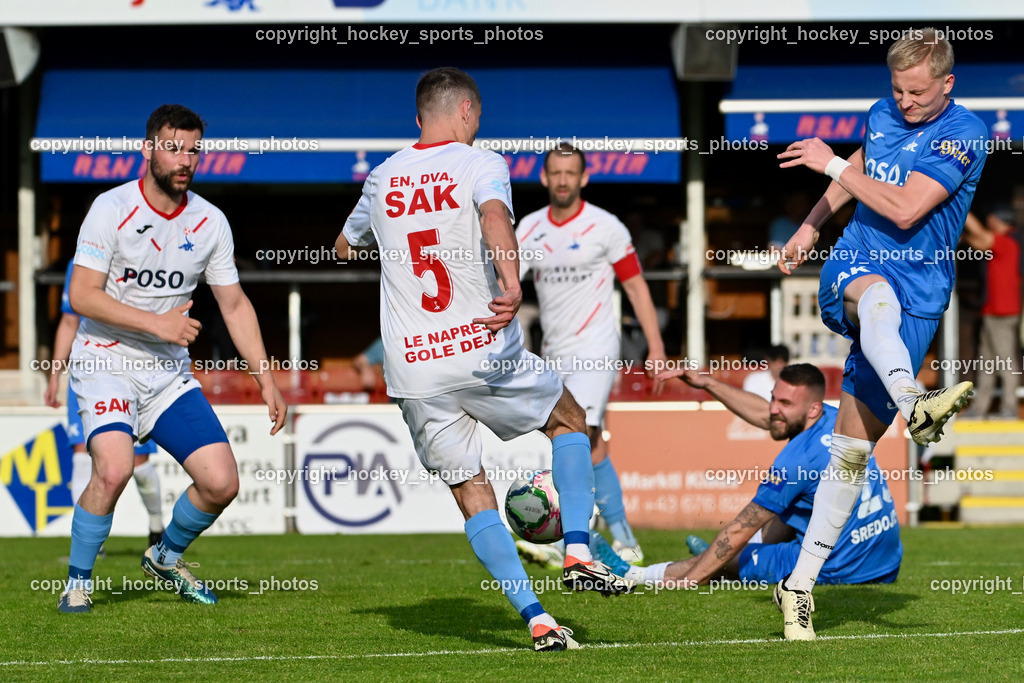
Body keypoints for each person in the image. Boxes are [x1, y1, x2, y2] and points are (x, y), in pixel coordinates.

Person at [334, 67, 633, 652]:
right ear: (467, 112)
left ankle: (537, 619)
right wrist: (510, 280)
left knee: (471, 490)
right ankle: (576, 548)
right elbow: (496, 217)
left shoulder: (382, 174)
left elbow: (344, 246)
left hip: (415, 365)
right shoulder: (481, 161)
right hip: (480, 344)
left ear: (419, 117)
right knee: (569, 421)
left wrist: (386, 242)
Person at [773, 29, 987, 639]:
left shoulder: (966, 134)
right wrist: (814, 224)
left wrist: (832, 162)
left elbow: (904, 208)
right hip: (861, 263)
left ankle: (799, 585)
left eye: (917, 92)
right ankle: (917, 401)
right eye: (896, 89)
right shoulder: (882, 112)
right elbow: (866, 166)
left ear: (947, 84)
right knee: (877, 299)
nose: (905, 102)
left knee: (851, 453)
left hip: (923, 293)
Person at [58, 104, 287, 614]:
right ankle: (77, 582)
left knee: (221, 481)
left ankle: (165, 556)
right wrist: (159, 324)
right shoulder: (110, 208)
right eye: (173, 147)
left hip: (165, 376)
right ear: (148, 149)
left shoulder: (210, 222)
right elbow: (82, 294)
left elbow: (234, 303)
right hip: (105, 360)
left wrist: (265, 378)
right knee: (114, 470)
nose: (184, 159)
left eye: (193, 150)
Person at [601, 364, 901, 589]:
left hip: (842, 568)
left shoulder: (797, 460)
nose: (773, 409)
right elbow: (767, 416)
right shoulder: (837, 420)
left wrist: (694, 577)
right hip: (886, 562)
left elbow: (740, 529)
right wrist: (707, 382)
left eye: (784, 404)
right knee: (790, 509)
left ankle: (632, 575)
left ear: (812, 409)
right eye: (773, 399)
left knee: (724, 555)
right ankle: (727, 557)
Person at [513, 143, 667, 568]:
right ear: (544, 178)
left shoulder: (606, 227)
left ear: (584, 178)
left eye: (571, 173)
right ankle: (619, 536)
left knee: (579, 435)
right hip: (553, 351)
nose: (563, 180)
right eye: (555, 173)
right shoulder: (528, 229)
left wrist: (655, 347)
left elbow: (636, 286)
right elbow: (505, 286)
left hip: (596, 348)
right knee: (588, 443)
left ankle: (576, 540)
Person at [45, 260, 165, 548]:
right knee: (81, 451)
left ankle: (157, 526)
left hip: (133, 368)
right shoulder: (81, 262)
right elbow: (70, 321)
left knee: (137, 464)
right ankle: (88, 546)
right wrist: (55, 375)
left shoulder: (142, 255)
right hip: (88, 369)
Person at [960, 209, 1021, 419]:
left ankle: (1009, 408)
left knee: (1006, 361)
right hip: (993, 312)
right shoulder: (1001, 243)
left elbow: (980, 234)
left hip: (1003, 314)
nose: (989, 220)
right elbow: (978, 242)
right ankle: (979, 408)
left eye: (993, 218)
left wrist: (962, 207)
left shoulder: (1007, 242)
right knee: (986, 362)